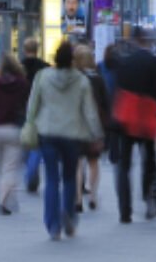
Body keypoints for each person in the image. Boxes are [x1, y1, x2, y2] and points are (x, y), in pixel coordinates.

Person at [22, 39, 103, 241]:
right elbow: (90, 112)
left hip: (47, 133)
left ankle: (52, 225)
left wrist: (30, 124)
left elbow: (32, 105)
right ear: (72, 60)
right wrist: (96, 134)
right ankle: (69, 214)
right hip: (72, 135)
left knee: (51, 179)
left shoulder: (42, 77)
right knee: (68, 177)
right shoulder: (81, 80)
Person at [113, 26, 156, 223]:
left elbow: (117, 91)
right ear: (145, 39)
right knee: (149, 161)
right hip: (148, 118)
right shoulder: (155, 63)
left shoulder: (124, 63)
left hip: (127, 119)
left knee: (124, 165)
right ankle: (148, 197)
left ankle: (124, 211)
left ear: (134, 40)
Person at [0, 53, 30, 215]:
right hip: (13, 128)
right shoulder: (23, 83)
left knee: (0, 166)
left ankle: (7, 199)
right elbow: (25, 105)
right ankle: (5, 201)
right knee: (10, 168)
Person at [73, 45, 111, 213]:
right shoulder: (98, 78)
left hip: (76, 124)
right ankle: (93, 195)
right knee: (93, 161)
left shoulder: (73, 78)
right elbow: (106, 103)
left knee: (78, 162)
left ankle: (78, 197)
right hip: (95, 125)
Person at [21, 38, 49, 192]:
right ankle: (32, 174)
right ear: (37, 49)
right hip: (40, 109)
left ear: (25, 49)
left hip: (22, 109)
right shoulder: (45, 68)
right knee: (37, 145)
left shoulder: (19, 67)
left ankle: (31, 174)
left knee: (27, 142)